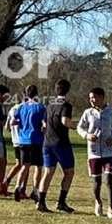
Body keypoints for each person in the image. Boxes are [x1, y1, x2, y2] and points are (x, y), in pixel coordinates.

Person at [78, 87, 112, 218]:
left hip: (109, 152)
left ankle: (111, 209)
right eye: (90, 98)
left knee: (109, 179)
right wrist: (87, 135)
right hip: (94, 152)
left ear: (101, 97)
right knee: (97, 181)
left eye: (94, 97)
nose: (91, 100)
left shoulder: (111, 111)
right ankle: (98, 202)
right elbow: (80, 127)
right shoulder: (88, 112)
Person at [36, 79, 76, 214]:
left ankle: (41, 202)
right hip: (61, 144)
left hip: (47, 143)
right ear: (68, 90)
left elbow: (44, 123)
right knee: (69, 172)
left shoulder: (49, 105)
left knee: (48, 172)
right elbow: (65, 121)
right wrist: (76, 126)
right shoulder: (66, 105)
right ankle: (61, 202)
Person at [9, 85, 47, 203]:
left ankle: (17, 186)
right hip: (36, 140)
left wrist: (21, 123)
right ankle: (35, 190)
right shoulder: (40, 107)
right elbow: (45, 124)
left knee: (24, 165)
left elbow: (12, 122)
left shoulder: (20, 107)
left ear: (26, 94)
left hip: (22, 140)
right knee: (38, 167)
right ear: (36, 94)